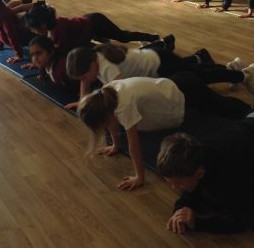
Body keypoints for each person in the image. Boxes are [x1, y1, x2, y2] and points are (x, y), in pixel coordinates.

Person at [77, 72, 252, 191]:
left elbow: (134, 144)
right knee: (219, 106)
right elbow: (111, 124)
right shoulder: (105, 98)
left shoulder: (123, 105)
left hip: (186, 90)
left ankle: (250, 110)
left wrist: (139, 177)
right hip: (174, 85)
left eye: (102, 125)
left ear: (106, 116)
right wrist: (115, 145)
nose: (105, 128)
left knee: (223, 107)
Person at [66, 44, 254, 108]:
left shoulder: (106, 67)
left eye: (83, 77)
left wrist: (90, 102)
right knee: (197, 73)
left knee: (198, 77)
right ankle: (232, 69)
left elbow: (116, 93)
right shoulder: (91, 58)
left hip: (162, 64)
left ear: (92, 66)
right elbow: (85, 83)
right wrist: (82, 101)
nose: (84, 81)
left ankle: (241, 75)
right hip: (156, 57)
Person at [157, 118, 254, 233]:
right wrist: (180, 210)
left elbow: (238, 221)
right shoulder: (193, 157)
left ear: (200, 173)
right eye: (170, 183)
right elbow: (190, 193)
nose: (174, 188)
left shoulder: (226, 176)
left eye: (178, 183)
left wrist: (197, 223)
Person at [24, 1, 162, 56]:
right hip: (89, 26)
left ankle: (153, 38)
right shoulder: (53, 28)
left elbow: (63, 50)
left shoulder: (59, 29)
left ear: (42, 25)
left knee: (123, 37)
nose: (33, 32)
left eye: (34, 29)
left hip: (96, 22)